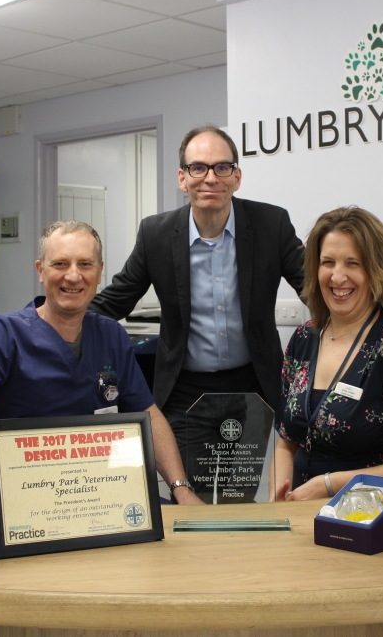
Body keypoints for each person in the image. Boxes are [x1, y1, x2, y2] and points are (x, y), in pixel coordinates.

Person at [89, 125, 305, 455]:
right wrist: (46, 321)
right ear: (182, 178)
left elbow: (314, 286)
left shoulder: (270, 224)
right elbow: (115, 300)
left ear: (237, 176)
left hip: (255, 385)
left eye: (222, 167)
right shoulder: (156, 234)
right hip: (185, 391)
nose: (210, 178)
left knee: (255, 494)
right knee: (189, 493)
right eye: (198, 167)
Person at [0, 220, 204, 508]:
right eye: (60, 264)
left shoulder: (111, 335)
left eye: (85, 264)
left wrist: (181, 488)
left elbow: (148, 415)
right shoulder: (3, 335)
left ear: (99, 271)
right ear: (40, 270)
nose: (73, 276)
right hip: (21, 498)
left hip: (99, 492)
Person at [272, 206, 383, 501]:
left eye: (353, 263)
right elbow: (285, 444)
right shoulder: (303, 339)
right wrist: (280, 499)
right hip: (300, 514)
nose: (337, 276)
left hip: (368, 514)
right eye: (327, 262)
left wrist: (329, 484)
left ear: (377, 270)